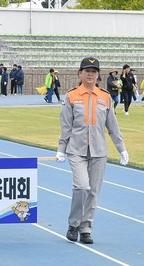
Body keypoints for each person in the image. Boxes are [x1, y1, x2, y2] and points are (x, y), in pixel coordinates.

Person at [56, 57, 128, 245]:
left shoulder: (104, 97)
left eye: (94, 71)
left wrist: (122, 149)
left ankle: (86, 228)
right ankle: (73, 224)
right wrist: (61, 149)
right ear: (80, 73)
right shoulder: (71, 96)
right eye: (87, 70)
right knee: (82, 187)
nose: (90, 74)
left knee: (93, 191)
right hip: (77, 150)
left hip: (99, 152)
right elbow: (66, 126)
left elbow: (113, 126)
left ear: (98, 75)